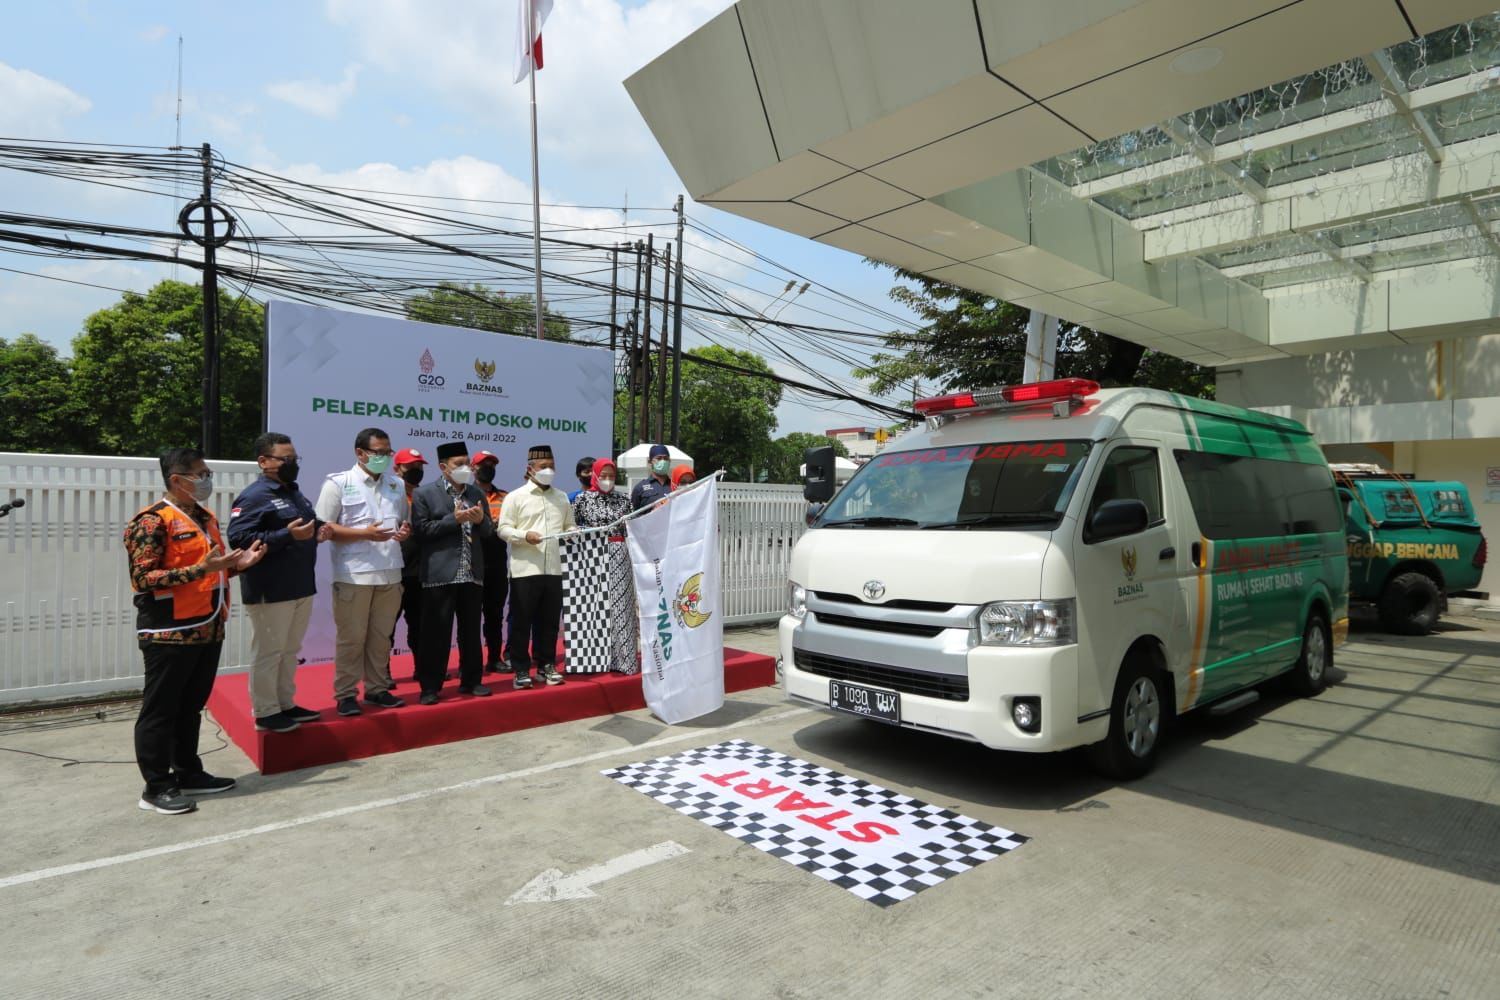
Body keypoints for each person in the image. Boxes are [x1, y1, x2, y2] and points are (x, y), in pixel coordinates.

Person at [124, 447, 266, 815]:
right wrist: (202, 570)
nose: (207, 480)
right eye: (200, 474)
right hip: (169, 631)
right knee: (161, 710)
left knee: (190, 707)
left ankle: (188, 772)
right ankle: (156, 786)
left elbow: (211, 569)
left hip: (207, 626)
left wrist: (239, 566)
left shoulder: (204, 517)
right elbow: (143, 578)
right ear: (177, 479)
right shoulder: (152, 521)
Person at [227, 432, 333, 734]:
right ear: (263, 462)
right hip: (270, 588)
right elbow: (239, 538)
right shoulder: (254, 496)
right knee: (269, 651)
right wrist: (287, 536)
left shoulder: (294, 493)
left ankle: (285, 703)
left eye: (294, 459)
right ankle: (265, 711)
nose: (291, 464)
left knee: (289, 650)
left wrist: (319, 531)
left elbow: (307, 525)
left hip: (300, 584)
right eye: (285, 459)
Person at [315, 427, 411, 717]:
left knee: (381, 637)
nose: (383, 457)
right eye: (378, 452)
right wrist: (364, 534)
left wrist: (405, 533)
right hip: (354, 574)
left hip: (390, 572)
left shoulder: (396, 485)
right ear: (360, 453)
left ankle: (377, 689)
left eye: (387, 452)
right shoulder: (339, 483)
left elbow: (402, 523)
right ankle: (346, 694)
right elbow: (323, 529)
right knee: (352, 638)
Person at [412, 440, 496, 703]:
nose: (465, 468)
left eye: (466, 463)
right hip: (440, 574)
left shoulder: (475, 493)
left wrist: (481, 520)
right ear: (443, 467)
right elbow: (422, 531)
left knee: (470, 632)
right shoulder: (425, 494)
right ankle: (430, 687)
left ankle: (471, 681)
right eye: (458, 464)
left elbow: (489, 532)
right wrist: (454, 520)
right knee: (436, 632)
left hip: (471, 572)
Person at [498, 444, 575, 689]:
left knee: (550, 622)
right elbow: (503, 529)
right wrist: (524, 536)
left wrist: (572, 533)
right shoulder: (515, 496)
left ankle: (546, 665)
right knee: (522, 621)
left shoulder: (561, 497)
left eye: (552, 466)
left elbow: (569, 526)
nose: (549, 470)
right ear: (530, 468)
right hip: (525, 569)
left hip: (554, 568)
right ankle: (521, 669)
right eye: (543, 467)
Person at [572, 457, 638, 674]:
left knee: (621, 606)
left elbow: (633, 530)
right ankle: (593, 661)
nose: (607, 480)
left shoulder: (624, 499)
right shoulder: (582, 499)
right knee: (593, 607)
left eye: (611, 476)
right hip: (591, 556)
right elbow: (573, 529)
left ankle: (624, 660)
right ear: (595, 476)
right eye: (603, 476)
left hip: (619, 554)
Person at [391, 447, 428, 684]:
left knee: (421, 625)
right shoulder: (389, 495)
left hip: (420, 571)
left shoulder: (425, 496)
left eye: (419, 467)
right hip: (393, 570)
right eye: (410, 467)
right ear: (397, 469)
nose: (416, 471)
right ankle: (381, 674)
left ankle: (423, 668)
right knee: (386, 627)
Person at [471, 450, 510, 673]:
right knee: (471, 618)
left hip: (496, 565)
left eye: (492, 465)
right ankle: (471, 662)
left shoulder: (506, 497)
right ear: (472, 468)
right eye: (483, 465)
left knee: (495, 615)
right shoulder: (463, 495)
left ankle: (494, 658)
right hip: (472, 565)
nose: (488, 468)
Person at [630, 443, 674, 511]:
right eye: (658, 458)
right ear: (650, 462)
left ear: (669, 461)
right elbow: (632, 516)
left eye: (665, 458)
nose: (663, 461)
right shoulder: (640, 488)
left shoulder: (675, 486)